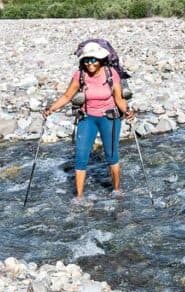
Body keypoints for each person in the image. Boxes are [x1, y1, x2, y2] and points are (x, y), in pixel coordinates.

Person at [43, 41, 134, 202]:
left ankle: (117, 190)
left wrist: (127, 112)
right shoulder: (80, 75)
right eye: (86, 60)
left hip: (109, 118)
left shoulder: (111, 73)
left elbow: (119, 99)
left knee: (112, 154)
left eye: (93, 60)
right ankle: (79, 197)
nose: (90, 63)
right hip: (87, 118)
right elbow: (66, 96)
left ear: (100, 60)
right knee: (80, 156)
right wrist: (51, 109)